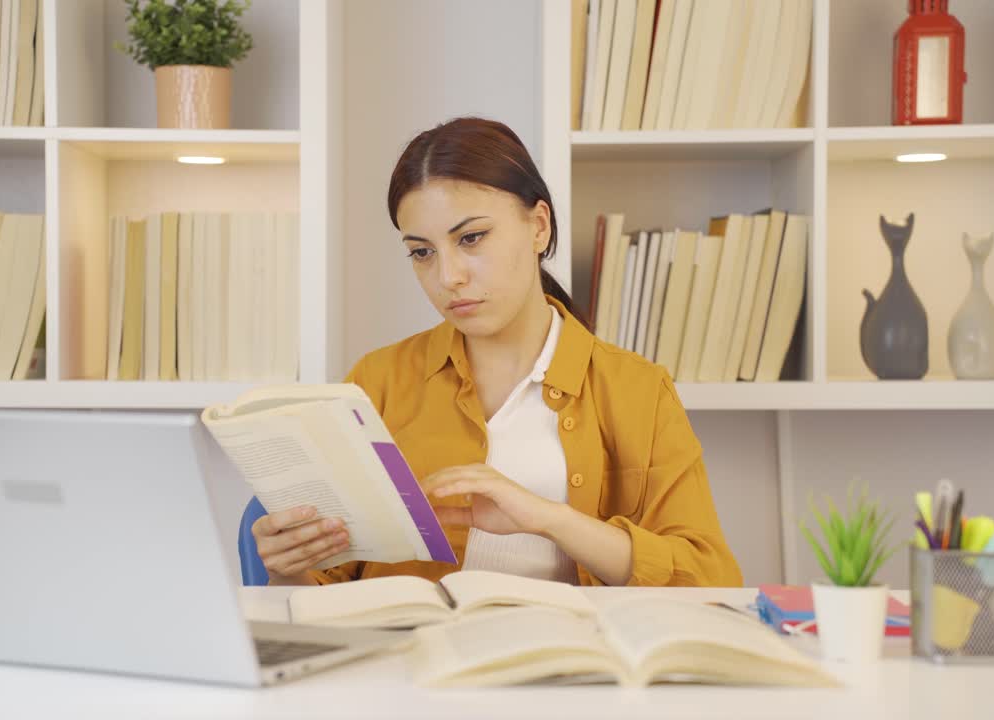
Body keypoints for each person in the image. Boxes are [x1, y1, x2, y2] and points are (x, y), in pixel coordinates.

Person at [253, 117, 742, 588]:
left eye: (471, 238)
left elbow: (709, 578)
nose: (449, 277)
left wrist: (549, 519)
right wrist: (286, 569)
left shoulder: (637, 390)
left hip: (560, 644)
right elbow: (322, 592)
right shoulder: (376, 381)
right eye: (422, 252)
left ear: (539, 227)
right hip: (405, 645)